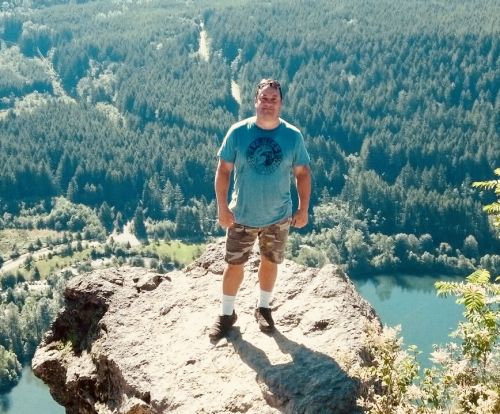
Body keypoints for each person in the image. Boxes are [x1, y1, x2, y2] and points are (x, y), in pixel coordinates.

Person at [209, 79, 311, 340]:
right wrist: (222, 208)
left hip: (278, 216)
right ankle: (226, 314)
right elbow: (223, 171)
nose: (268, 103)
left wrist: (303, 209)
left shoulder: (293, 136)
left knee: (270, 261)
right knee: (234, 265)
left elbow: (302, 173)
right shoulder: (238, 132)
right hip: (242, 215)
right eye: (263, 98)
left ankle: (263, 308)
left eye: (273, 99)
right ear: (255, 101)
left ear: (281, 103)